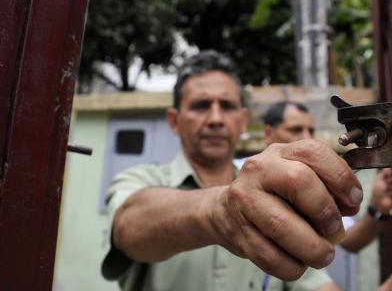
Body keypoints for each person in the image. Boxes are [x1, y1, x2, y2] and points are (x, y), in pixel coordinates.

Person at [101, 50, 363, 291]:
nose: (215, 119)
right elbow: (128, 226)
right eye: (201, 105)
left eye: (226, 106)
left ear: (243, 120)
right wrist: (218, 211)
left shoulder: (276, 196)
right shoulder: (141, 180)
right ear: (174, 120)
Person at [252, 101, 392, 290]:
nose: (307, 138)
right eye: (295, 129)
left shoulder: (310, 186)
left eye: (311, 131)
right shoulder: (243, 180)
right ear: (268, 134)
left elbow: (349, 240)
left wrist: (377, 208)